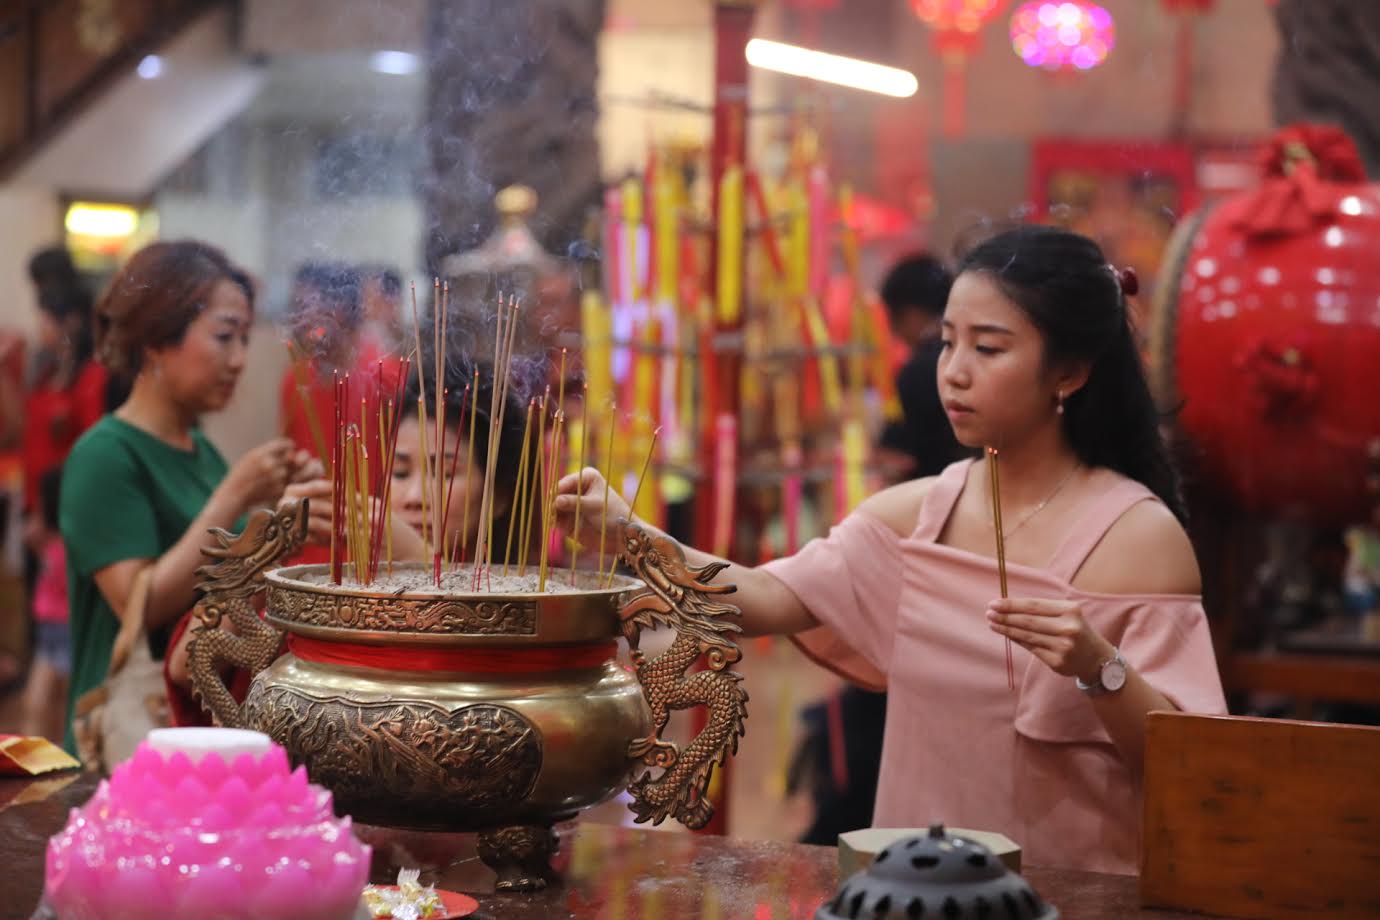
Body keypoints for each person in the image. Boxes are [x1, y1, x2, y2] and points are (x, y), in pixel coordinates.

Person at [556, 225, 1226, 875]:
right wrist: (631, 537)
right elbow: (760, 599)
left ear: (1070, 372)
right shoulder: (919, 517)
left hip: (1070, 895)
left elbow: (1191, 763)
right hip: (915, 891)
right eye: (946, 343)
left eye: (988, 349)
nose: (954, 373)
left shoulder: (1136, 538)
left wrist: (1096, 664)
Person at [164, 344, 531, 722]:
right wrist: (266, 548)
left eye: (445, 474)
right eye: (401, 473)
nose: (413, 498)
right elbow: (187, 666)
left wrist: (420, 562)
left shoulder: (530, 600)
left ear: (500, 496)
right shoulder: (330, 579)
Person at [59, 241, 319, 755]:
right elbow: (142, 604)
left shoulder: (201, 450)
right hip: (130, 730)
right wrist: (233, 495)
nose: (240, 360)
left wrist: (282, 523)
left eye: (245, 339)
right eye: (224, 337)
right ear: (157, 339)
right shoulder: (105, 455)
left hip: (191, 721)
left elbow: (226, 586)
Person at [876, 252, 966, 481]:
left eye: (894, 321)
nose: (895, 334)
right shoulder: (969, 357)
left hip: (931, 493)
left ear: (909, 313)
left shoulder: (917, 370)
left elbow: (898, 456)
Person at [18, 466, 71, 741]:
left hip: (64, 631)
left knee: (61, 707)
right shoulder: (47, 542)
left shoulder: (66, 545)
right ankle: (31, 760)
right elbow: (28, 533)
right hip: (47, 629)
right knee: (36, 705)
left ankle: (63, 762)